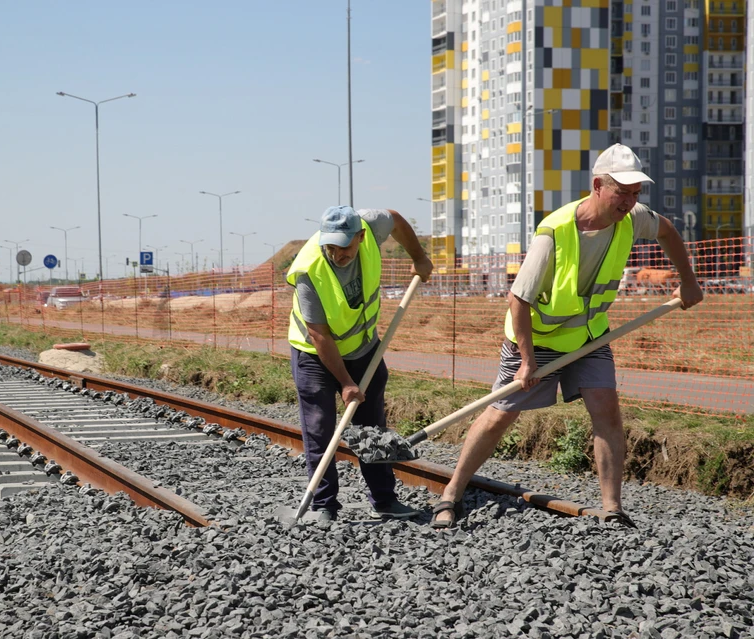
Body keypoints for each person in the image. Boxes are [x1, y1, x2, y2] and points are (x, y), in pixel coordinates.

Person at [431, 144, 704, 529]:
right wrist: (527, 361)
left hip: (589, 339)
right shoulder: (555, 233)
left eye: (635, 193)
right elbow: (518, 299)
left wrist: (689, 281)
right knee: (499, 417)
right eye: (621, 191)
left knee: (606, 410)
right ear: (597, 185)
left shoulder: (633, 218)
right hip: (536, 339)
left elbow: (668, 231)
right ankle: (451, 494)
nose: (629, 201)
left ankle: (612, 509)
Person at [286, 205, 434, 521]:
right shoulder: (308, 270)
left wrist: (418, 256)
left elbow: (395, 217)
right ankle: (323, 505)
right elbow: (318, 334)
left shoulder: (371, 226)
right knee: (320, 428)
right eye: (332, 247)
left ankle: (384, 500)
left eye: (345, 247)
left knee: (371, 428)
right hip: (315, 354)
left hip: (365, 349)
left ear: (361, 236)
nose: (338, 254)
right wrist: (345, 383)